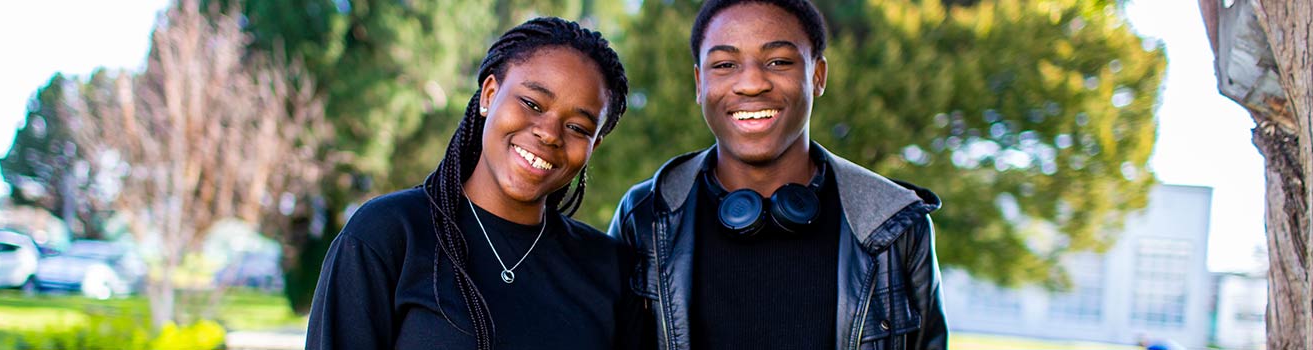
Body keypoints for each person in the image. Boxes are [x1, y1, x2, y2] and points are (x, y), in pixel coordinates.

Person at [609, 0, 946, 349]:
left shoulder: (895, 224)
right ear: (699, 83)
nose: (752, 84)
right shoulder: (645, 216)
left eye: (779, 61)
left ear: (818, 75)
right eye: (724, 65)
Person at [305, 17, 636, 350]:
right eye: (532, 104)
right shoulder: (389, 234)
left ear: (594, 145)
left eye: (578, 128)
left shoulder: (609, 270)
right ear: (489, 94)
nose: (549, 133)